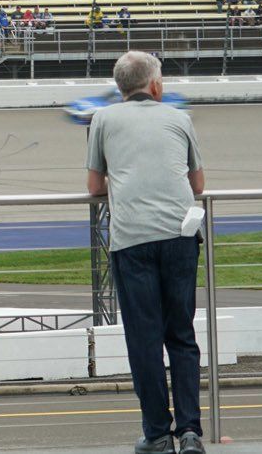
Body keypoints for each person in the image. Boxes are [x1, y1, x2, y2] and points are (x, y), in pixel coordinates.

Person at [86, 51, 206, 454]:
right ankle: (190, 431)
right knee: (182, 335)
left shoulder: (102, 119)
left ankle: (157, 433)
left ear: (121, 87)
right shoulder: (178, 118)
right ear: (155, 85)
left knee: (144, 340)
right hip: (179, 235)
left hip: (132, 238)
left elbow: (93, 187)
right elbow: (199, 184)